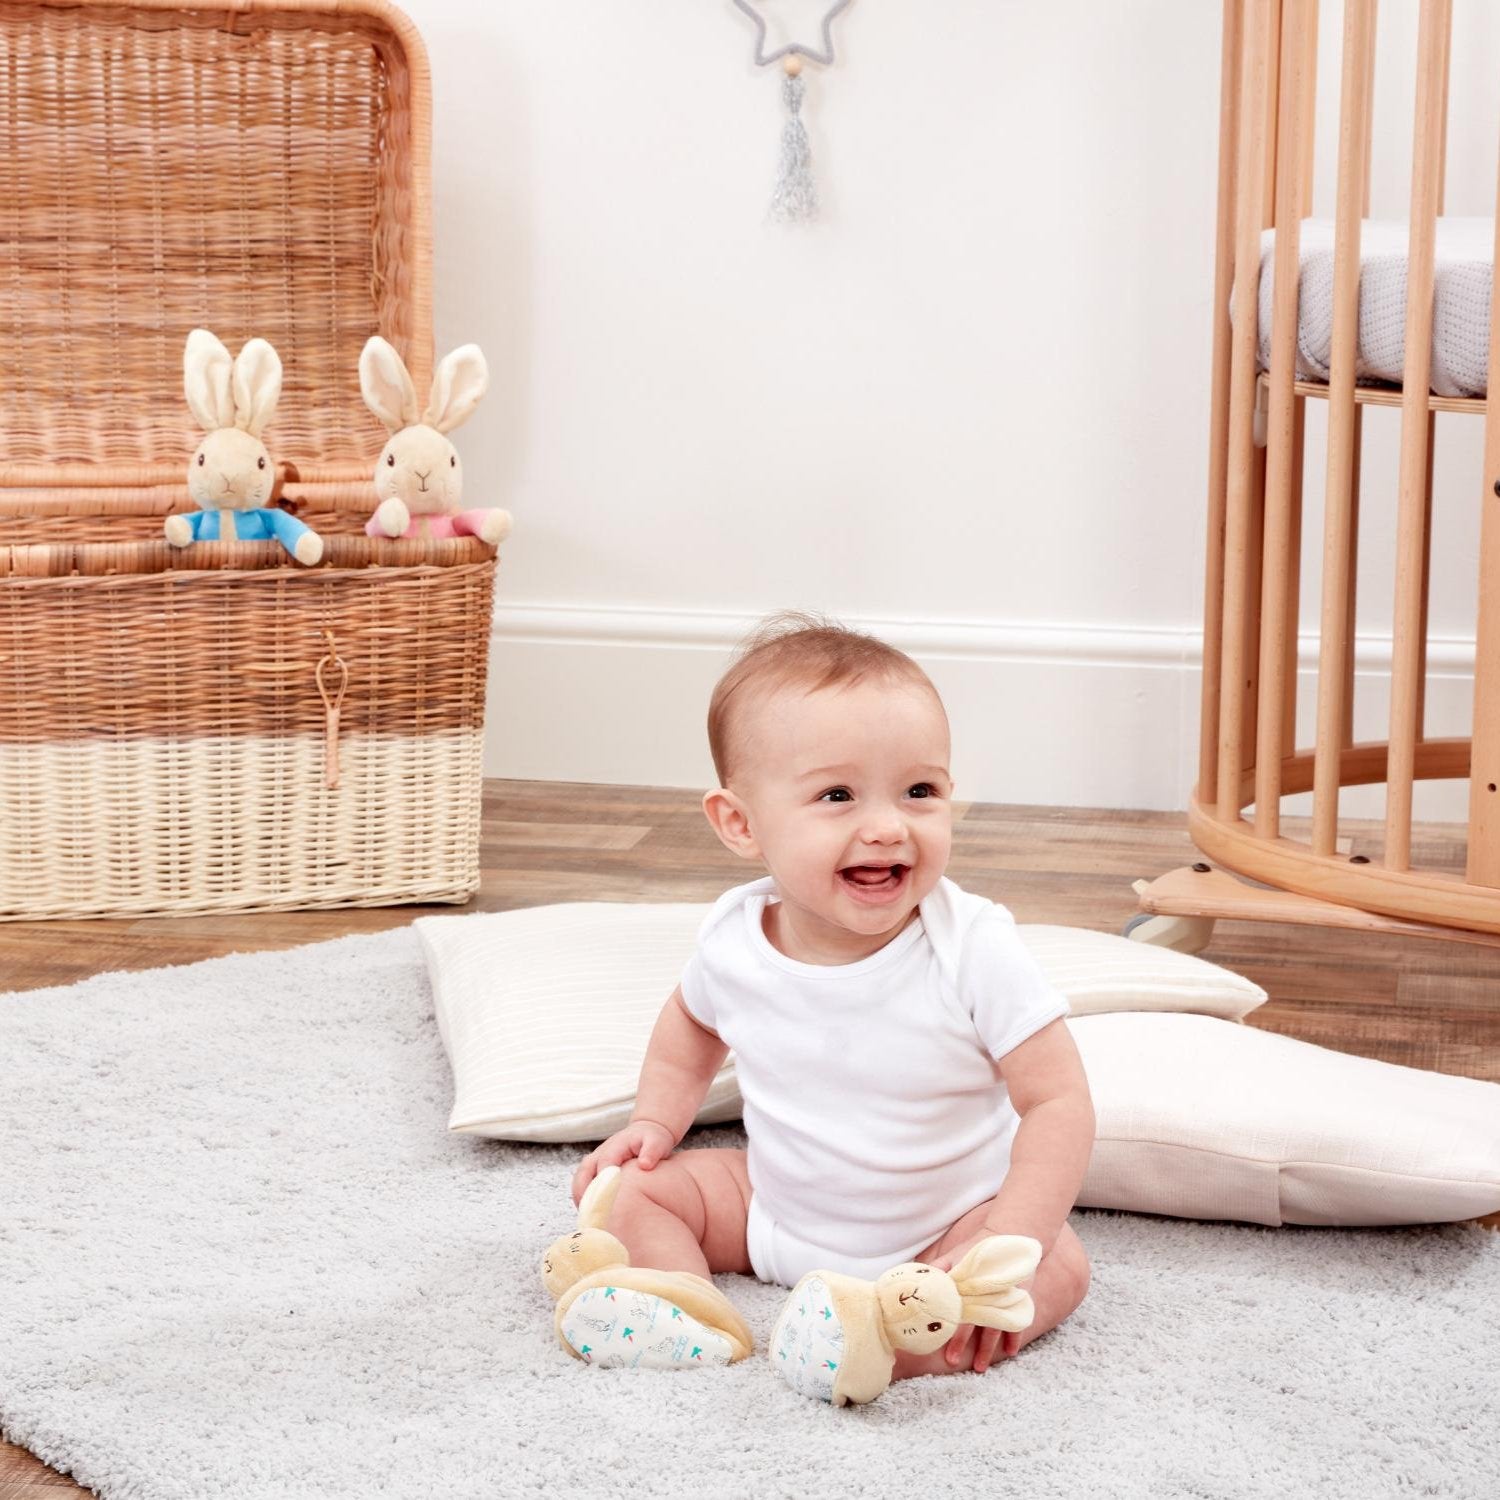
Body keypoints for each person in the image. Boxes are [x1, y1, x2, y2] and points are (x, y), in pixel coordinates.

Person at [570, 612, 1095, 1385]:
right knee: (632, 1193)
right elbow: (689, 1025)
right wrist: (654, 1120)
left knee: (1059, 1265)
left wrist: (1008, 1240)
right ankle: (678, 1300)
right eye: (838, 795)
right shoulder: (735, 940)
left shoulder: (971, 946)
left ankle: (874, 1343)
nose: (887, 827)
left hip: (940, 1234)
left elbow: (1060, 1102)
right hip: (773, 1215)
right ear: (741, 823)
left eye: (920, 791)